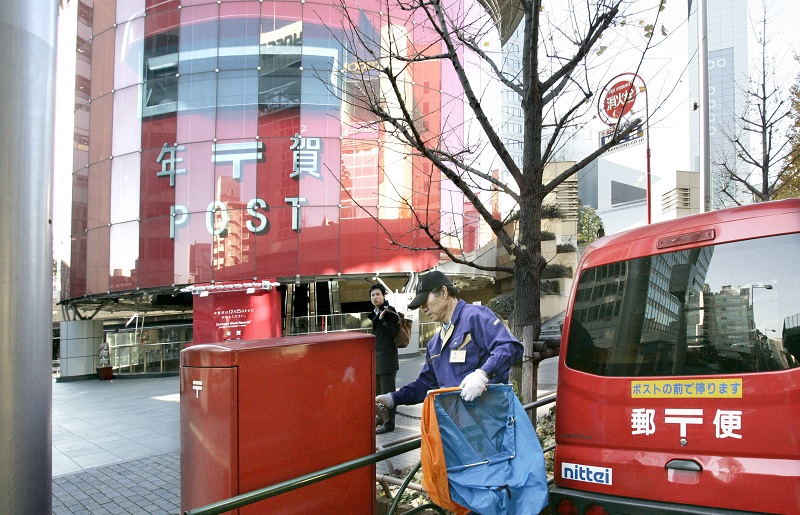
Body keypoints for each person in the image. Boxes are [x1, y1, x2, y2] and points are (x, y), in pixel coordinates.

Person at [376, 271, 523, 412]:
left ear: (444, 292)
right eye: (420, 305)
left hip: (488, 418)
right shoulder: (434, 345)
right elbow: (425, 384)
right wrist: (392, 398)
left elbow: (509, 346)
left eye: (425, 300)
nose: (423, 308)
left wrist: (483, 375)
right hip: (456, 424)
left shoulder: (475, 317)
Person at [368, 283, 400, 434]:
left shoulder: (389, 312)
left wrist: (383, 320)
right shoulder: (374, 313)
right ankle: (381, 418)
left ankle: (390, 423)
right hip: (377, 359)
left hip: (387, 360)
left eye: (377, 294)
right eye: (372, 295)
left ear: (384, 296)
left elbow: (394, 333)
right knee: (378, 394)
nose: (375, 297)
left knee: (388, 394)